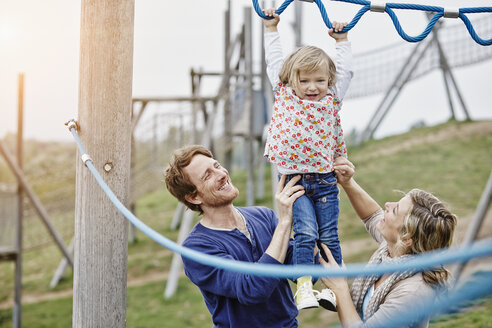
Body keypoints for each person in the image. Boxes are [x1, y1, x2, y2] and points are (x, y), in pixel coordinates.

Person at [262, 8, 354, 311]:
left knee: (329, 235)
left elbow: (346, 71)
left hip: (325, 181)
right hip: (295, 180)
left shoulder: (332, 98)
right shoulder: (285, 94)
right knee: (306, 233)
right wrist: (270, 28)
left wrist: (342, 40)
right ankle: (304, 287)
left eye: (319, 80)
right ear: (293, 80)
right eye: (305, 81)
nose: (313, 87)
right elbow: (274, 61)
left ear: (329, 81)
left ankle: (332, 290)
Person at [164, 145, 306, 328]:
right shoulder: (196, 249)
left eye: (216, 165)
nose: (221, 174)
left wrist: (311, 213)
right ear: (193, 197)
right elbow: (253, 288)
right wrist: (285, 222)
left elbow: (301, 269)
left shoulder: (263, 215)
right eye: (207, 175)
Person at [319, 156, 457, 328]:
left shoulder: (413, 292)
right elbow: (372, 216)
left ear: (407, 238)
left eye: (395, 209)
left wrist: (340, 288)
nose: (387, 204)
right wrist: (348, 182)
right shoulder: (394, 250)